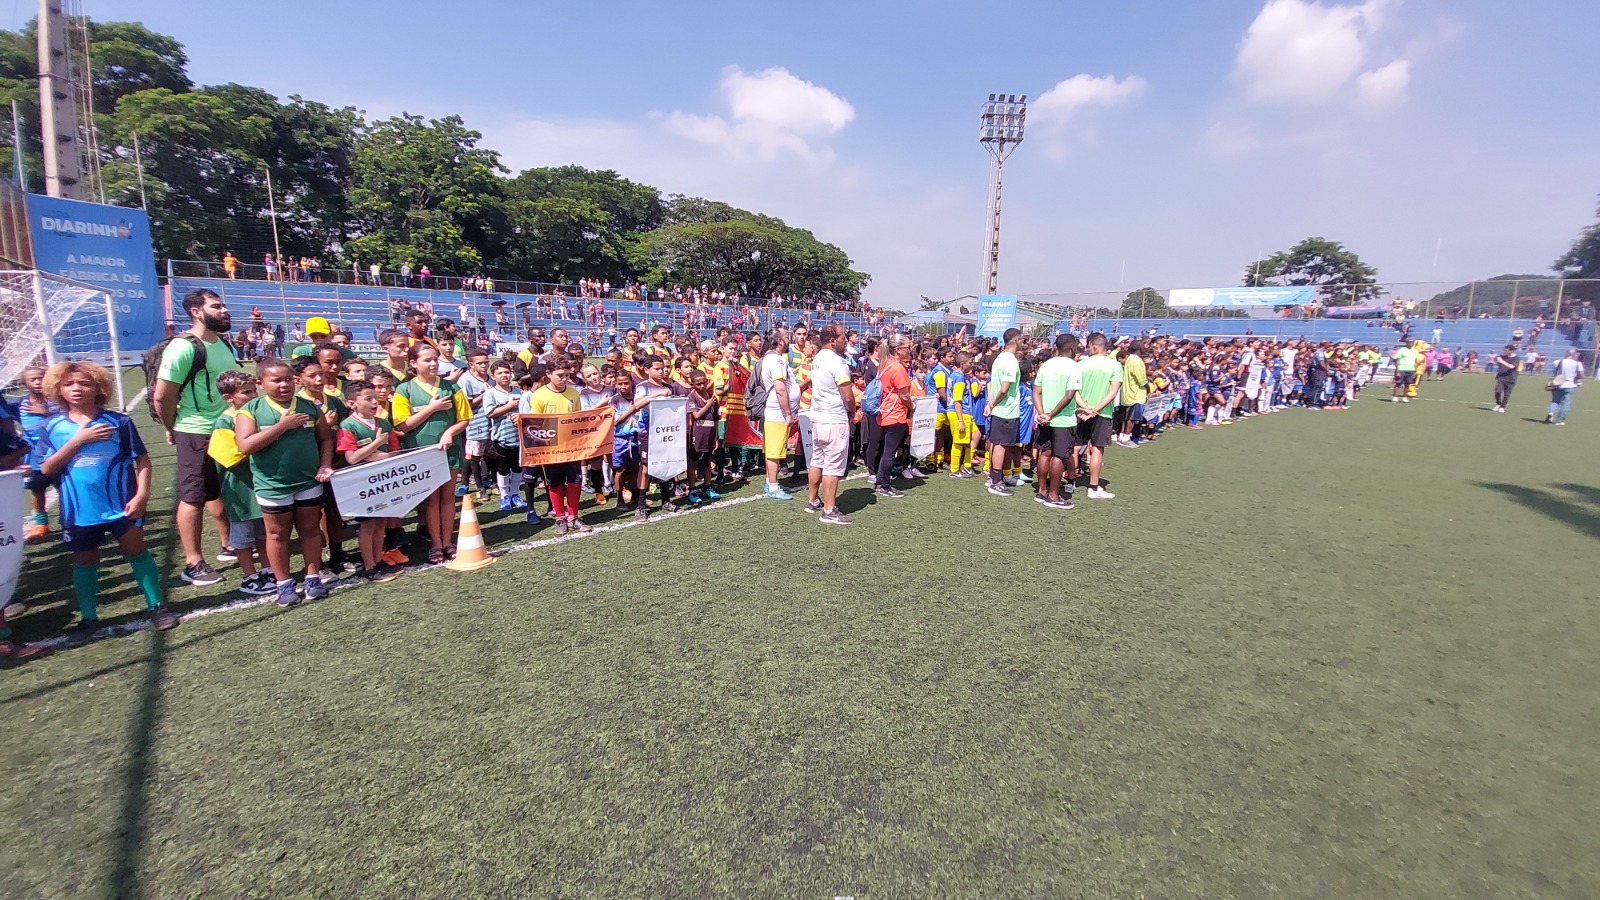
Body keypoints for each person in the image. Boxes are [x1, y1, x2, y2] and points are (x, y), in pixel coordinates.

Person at [37, 361, 179, 641]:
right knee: (85, 561)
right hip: (80, 510)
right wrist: (79, 440)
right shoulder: (51, 426)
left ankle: (157, 606)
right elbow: (46, 468)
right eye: (68, 384)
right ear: (58, 389)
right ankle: (89, 618)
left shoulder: (119, 422)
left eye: (84, 383)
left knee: (137, 552)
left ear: (98, 387)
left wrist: (141, 495)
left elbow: (143, 461)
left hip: (122, 505)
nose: (76, 389)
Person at [153, 288, 243, 586]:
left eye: (224, 305)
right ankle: (193, 562)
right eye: (217, 306)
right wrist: (172, 427)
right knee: (193, 497)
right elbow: (163, 396)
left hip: (224, 430)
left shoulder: (222, 344)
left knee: (218, 490)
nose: (225, 310)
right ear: (196, 311)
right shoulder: (182, 347)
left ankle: (229, 544)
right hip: (195, 431)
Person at [233, 358, 336, 607]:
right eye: (276, 380)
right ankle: (284, 584)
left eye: (288, 379)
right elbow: (245, 446)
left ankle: (312, 579)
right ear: (260, 383)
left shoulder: (309, 407)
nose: (284, 385)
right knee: (277, 534)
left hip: (308, 481)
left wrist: (325, 464)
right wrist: (281, 427)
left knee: (310, 530)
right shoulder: (251, 410)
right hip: (273, 485)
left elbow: (325, 439)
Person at [393, 343, 471, 564]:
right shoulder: (404, 390)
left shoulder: (452, 388)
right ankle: (435, 544)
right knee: (430, 500)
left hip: (449, 451)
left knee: (447, 499)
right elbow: (403, 425)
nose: (433, 363)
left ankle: (447, 542)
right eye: (427, 360)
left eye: (435, 359)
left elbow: (464, 419)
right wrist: (431, 408)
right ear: (414, 363)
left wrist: (449, 432)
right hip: (420, 454)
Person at [208, 371, 278, 598]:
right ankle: (249, 575)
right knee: (242, 534)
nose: (253, 395)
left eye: (253, 390)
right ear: (229, 398)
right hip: (240, 488)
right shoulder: (224, 421)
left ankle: (268, 569)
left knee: (264, 531)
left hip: (261, 484)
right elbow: (232, 455)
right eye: (246, 392)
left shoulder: (254, 414)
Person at [336, 380, 402, 583]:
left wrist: (377, 455)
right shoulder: (348, 425)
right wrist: (377, 445)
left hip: (384, 481)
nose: (374, 402)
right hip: (363, 485)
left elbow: (395, 452)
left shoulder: (383, 423)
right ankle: (369, 566)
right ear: (352, 403)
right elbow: (352, 458)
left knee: (381, 521)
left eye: (375, 398)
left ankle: (378, 559)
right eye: (368, 399)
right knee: (368, 525)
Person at [524, 359, 589, 536]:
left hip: (572, 445)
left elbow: (578, 419)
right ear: (549, 374)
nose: (564, 379)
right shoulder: (539, 396)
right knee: (555, 483)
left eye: (567, 375)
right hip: (550, 446)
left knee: (575, 481)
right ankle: (560, 517)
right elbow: (535, 424)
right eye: (560, 375)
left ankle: (573, 516)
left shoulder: (573, 394)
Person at [803, 324, 859, 524]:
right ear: (833, 340)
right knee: (833, 466)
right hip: (834, 418)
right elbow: (847, 394)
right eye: (843, 336)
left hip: (818, 417)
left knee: (818, 460)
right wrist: (853, 411)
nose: (846, 339)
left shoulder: (818, 358)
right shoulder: (838, 362)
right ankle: (829, 510)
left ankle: (813, 500)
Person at [1033, 333, 1081, 510]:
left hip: (1045, 418)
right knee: (1059, 455)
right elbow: (1069, 396)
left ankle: (1041, 491)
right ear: (1071, 347)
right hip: (1063, 420)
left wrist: (1042, 413)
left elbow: (1036, 392)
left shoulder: (1046, 365)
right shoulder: (1074, 367)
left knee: (1045, 453)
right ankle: (1053, 495)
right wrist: (1051, 414)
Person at [1074, 332, 1121, 500]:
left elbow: (1074, 391)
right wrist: (1096, 409)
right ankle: (1093, 487)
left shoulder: (1081, 364)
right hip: (1102, 412)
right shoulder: (1115, 366)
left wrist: (1086, 408)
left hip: (1080, 411)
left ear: (1093, 346)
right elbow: (1113, 392)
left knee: (1075, 446)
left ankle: (1070, 481)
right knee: (1097, 449)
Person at [872, 334, 914, 499]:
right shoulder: (897, 368)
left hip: (885, 412)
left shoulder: (885, 365)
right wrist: (913, 405)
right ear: (898, 350)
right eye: (907, 347)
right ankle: (884, 485)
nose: (910, 350)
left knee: (885, 451)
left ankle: (879, 481)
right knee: (890, 452)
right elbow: (904, 395)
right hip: (895, 414)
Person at [983, 328, 1024, 497]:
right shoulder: (1010, 360)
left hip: (1000, 408)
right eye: (1022, 339)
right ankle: (995, 481)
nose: (1023, 342)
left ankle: (994, 476)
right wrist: (993, 403)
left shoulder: (999, 358)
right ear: (1016, 340)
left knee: (996, 443)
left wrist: (992, 403)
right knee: (1001, 445)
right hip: (1006, 409)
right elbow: (1005, 388)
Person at [759, 327, 797, 500]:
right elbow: (780, 388)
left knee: (774, 449)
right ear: (780, 341)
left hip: (775, 411)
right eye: (787, 337)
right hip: (777, 412)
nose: (789, 340)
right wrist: (787, 413)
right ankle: (773, 486)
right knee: (775, 451)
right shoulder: (776, 360)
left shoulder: (772, 358)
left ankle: (771, 482)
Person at [1545, 349, 1585, 425]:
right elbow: (1582, 375)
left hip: (1557, 384)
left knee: (1555, 400)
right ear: (1574, 355)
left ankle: (1551, 413)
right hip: (1570, 385)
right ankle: (1560, 420)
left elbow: (1554, 372)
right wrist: (1576, 379)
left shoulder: (1557, 362)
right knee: (1566, 403)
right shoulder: (1577, 364)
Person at [1491, 345, 1519, 413]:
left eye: (1506, 350)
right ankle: (1498, 403)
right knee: (1498, 391)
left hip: (1511, 378)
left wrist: (1501, 361)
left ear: (1511, 351)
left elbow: (1512, 366)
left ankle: (1502, 407)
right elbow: (1498, 362)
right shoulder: (1502, 357)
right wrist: (1497, 360)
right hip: (1501, 377)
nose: (1505, 351)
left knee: (1507, 394)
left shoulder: (1516, 358)